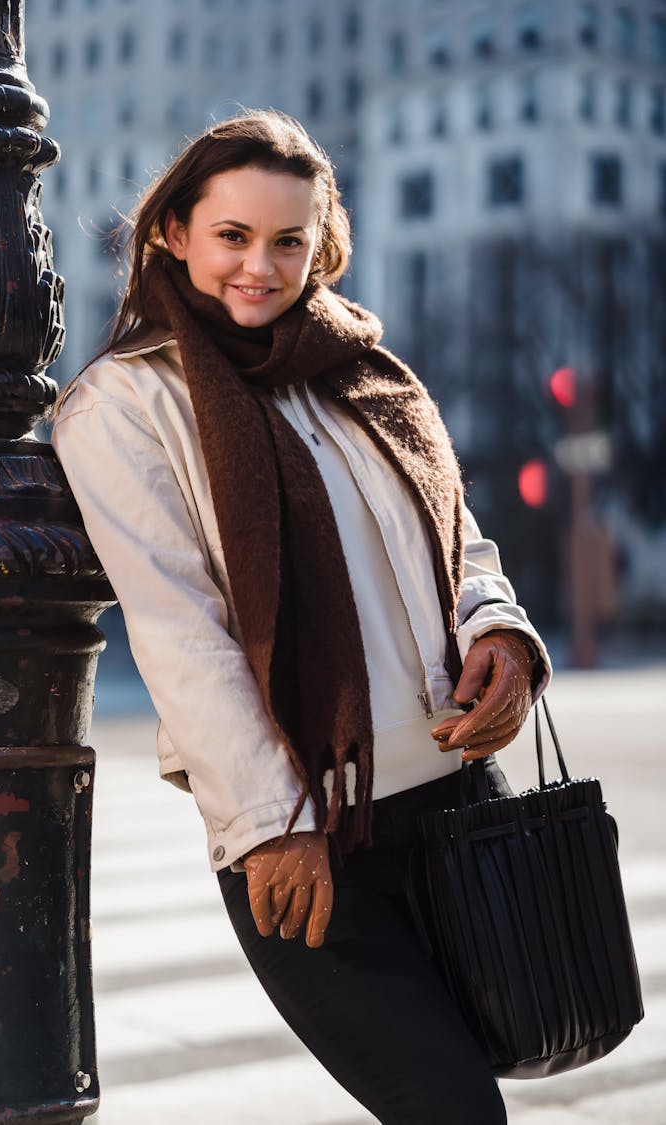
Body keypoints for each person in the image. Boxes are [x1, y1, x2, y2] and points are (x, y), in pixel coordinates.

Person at [51, 110, 551, 1124]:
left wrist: (501, 633)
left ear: (322, 244)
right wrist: (276, 824)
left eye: (288, 241)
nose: (259, 267)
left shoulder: (359, 373)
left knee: (488, 1076)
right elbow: (180, 632)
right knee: (450, 1106)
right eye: (231, 235)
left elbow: (454, 541)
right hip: (306, 829)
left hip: (458, 793)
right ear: (174, 235)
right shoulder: (121, 406)